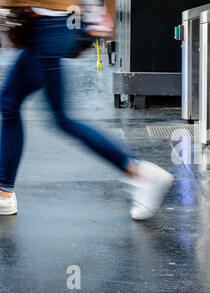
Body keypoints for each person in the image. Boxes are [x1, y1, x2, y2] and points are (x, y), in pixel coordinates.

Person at [0, 0, 174, 220]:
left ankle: (139, 172)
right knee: (9, 102)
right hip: (46, 23)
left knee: (62, 118)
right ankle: (4, 193)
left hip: (48, 24)